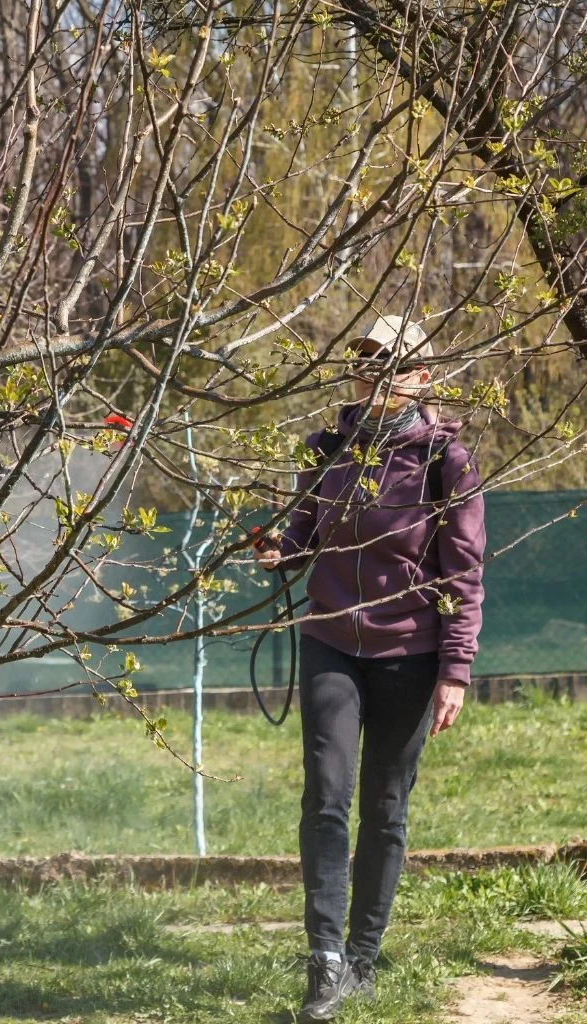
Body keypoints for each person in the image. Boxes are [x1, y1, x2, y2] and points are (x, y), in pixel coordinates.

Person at [254, 314, 486, 1023]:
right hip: (331, 643)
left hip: (412, 657)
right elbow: (302, 535)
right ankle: (323, 961)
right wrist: (276, 546)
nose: (373, 370)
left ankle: (361, 956)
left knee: (385, 809)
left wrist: (455, 669)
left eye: (390, 361)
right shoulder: (327, 449)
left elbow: (465, 573)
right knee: (326, 796)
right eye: (364, 358)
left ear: (421, 377)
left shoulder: (448, 461)